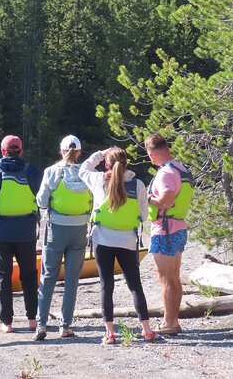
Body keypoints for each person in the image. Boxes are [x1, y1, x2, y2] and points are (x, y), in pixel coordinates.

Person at [79, 146, 161, 344]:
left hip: (103, 241)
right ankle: (147, 331)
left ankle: (110, 334)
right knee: (135, 285)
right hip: (128, 242)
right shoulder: (139, 184)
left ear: (106, 164)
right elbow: (142, 215)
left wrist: (100, 152)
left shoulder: (99, 180)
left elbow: (83, 169)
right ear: (126, 163)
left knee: (106, 285)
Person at [0, 135, 42, 333]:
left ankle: (7, 323)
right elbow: (43, 196)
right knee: (29, 276)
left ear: (2, 151)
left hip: (1, 234)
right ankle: (32, 320)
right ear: (20, 151)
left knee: (3, 277)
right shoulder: (31, 172)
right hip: (26, 233)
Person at [33, 135, 91, 341]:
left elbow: (41, 202)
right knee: (72, 279)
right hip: (80, 228)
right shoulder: (87, 173)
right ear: (80, 152)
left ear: (62, 151)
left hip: (56, 228)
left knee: (48, 276)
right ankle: (65, 325)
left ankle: (41, 325)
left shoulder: (52, 172)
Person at [145, 133, 193, 335]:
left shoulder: (165, 173)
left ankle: (168, 323)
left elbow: (166, 201)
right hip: (178, 227)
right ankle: (173, 321)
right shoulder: (180, 167)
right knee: (173, 278)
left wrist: (146, 198)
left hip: (165, 229)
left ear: (151, 154)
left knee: (165, 279)